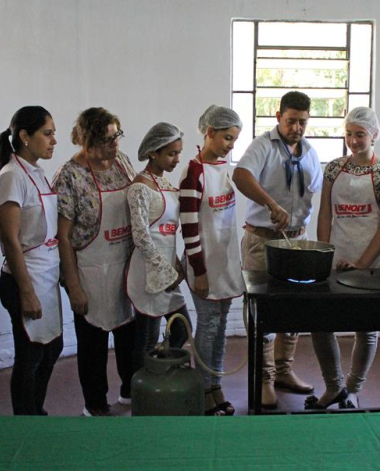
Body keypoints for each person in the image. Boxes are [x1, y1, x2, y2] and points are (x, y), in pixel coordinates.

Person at [233, 91, 322, 409]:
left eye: (302, 122)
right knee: (264, 310)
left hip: (298, 241)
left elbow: (312, 195)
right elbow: (240, 175)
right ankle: (265, 378)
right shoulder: (262, 146)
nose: (297, 128)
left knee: (294, 308)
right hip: (263, 239)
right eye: (291, 121)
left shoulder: (310, 152)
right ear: (278, 116)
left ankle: (284, 370)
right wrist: (270, 204)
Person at [306, 107, 380, 410]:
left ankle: (354, 388)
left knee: (366, 326)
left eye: (360, 134)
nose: (353, 140)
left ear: (375, 135)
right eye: (349, 134)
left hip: (368, 260)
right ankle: (333, 386)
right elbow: (325, 214)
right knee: (320, 322)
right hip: (335, 254)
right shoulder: (333, 168)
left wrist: (362, 263)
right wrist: (324, 251)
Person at [54, 107, 136, 417]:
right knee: (93, 345)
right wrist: (73, 286)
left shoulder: (122, 163)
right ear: (87, 140)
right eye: (106, 140)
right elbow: (63, 237)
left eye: (117, 136)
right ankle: (96, 404)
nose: (114, 145)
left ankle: (130, 392)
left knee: (129, 336)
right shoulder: (69, 177)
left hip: (124, 265)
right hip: (89, 270)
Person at [0, 106, 63, 416]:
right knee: (31, 354)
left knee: (52, 348)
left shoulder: (37, 172)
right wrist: (26, 291)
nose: (53, 141)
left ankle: (36, 410)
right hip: (26, 279)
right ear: (24, 136)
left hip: (45, 275)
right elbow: (10, 240)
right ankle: (26, 418)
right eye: (47, 134)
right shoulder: (11, 177)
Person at [180, 106, 245, 415]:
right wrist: (199, 270)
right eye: (226, 138)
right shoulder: (193, 172)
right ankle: (203, 389)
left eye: (234, 139)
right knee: (208, 325)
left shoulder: (225, 167)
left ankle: (216, 383)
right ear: (209, 133)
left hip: (226, 262)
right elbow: (189, 227)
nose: (230, 145)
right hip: (204, 263)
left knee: (220, 327)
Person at [127, 122, 190, 373]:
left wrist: (174, 263)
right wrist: (164, 270)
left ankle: (160, 375)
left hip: (166, 269)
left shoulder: (164, 185)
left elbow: (167, 234)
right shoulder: (140, 187)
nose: (176, 159)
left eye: (178, 153)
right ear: (153, 152)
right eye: (171, 153)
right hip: (146, 272)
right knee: (146, 339)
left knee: (182, 328)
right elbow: (141, 235)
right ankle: (137, 392)